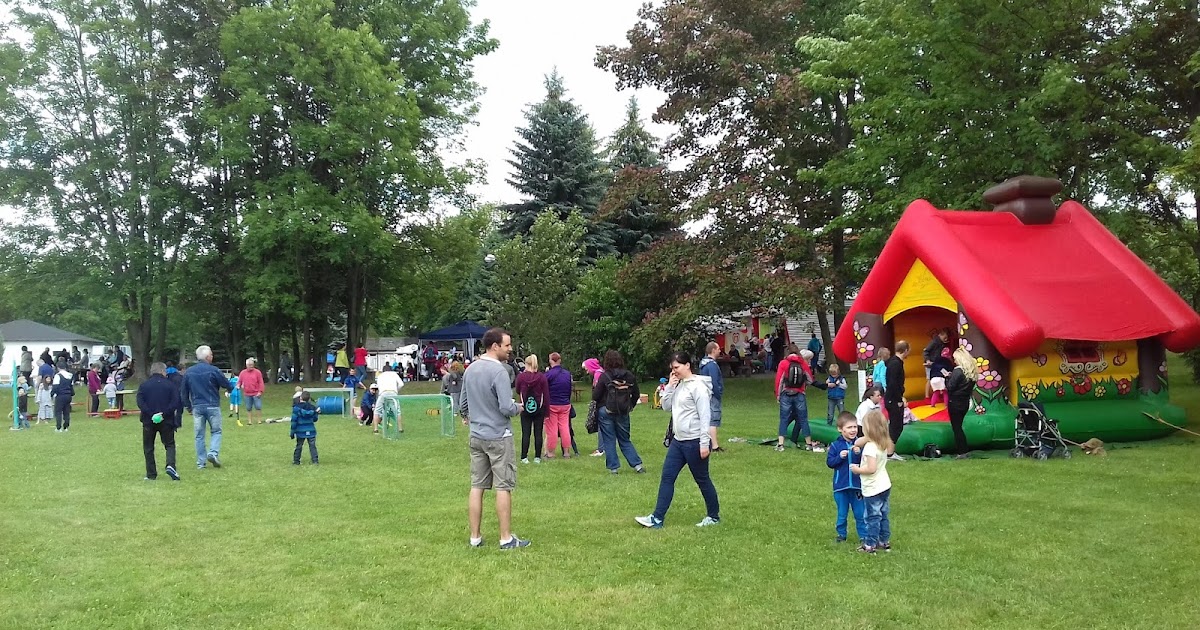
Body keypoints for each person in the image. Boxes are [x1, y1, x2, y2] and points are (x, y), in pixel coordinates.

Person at [635, 351, 720, 529]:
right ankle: (657, 518)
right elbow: (666, 407)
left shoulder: (698, 387)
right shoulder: (679, 385)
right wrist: (671, 387)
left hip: (694, 442)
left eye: (676, 368)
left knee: (702, 480)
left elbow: (706, 417)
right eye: (672, 369)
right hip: (678, 442)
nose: (674, 372)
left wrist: (705, 444)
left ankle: (713, 516)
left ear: (687, 365)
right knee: (667, 477)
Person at [461, 327, 529, 549]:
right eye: (507, 345)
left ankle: (475, 537)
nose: (510, 349)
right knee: (503, 486)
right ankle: (506, 538)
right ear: (495, 346)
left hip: (476, 436)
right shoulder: (500, 371)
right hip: (499, 436)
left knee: (477, 486)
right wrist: (519, 407)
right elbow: (505, 406)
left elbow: (463, 405)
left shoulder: (470, 369)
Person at [180, 345, 234, 470]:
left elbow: (183, 392)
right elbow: (226, 384)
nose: (212, 357)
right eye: (211, 355)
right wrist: (230, 388)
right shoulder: (214, 370)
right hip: (212, 405)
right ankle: (213, 452)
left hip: (197, 406)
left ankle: (201, 462)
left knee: (199, 435)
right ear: (207, 357)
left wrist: (188, 407)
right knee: (216, 431)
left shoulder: (189, 372)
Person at [593, 350, 645, 475]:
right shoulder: (629, 376)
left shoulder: (605, 376)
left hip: (606, 410)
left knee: (609, 440)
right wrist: (629, 405)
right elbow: (636, 394)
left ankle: (613, 468)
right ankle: (637, 465)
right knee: (625, 439)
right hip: (623, 411)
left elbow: (596, 396)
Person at [850, 409, 893, 554]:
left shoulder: (870, 448)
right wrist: (864, 439)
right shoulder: (881, 442)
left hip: (873, 488)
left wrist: (857, 470)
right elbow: (857, 442)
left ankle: (870, 544)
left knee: (872, 517)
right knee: (883, 514)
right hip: (884, 485)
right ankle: (884, 540)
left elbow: (871, 468)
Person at [773, 345, 824, 452]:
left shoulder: (783, 363)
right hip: (799, 393)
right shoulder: (803, 363)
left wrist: (778, 395)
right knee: (803, 419)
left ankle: (781, 444)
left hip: (786, 393)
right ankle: (808, 443)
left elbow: (779, 380)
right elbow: (810, 379)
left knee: (783, 418)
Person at [137, 362, 182, 481]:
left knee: (148, 447)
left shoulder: (144, 385)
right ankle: (170, 465)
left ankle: (151, 474)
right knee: (169, 444)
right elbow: (175, 401)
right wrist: (164, 413)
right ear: (163, 371)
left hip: (148, 420)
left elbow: (140, 402)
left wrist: (151, 414)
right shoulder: (170, 385)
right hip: (166, 420)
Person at [826, 412, 866, 543]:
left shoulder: (860, 444)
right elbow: (830, 463)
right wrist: (839, 457)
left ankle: (864, 536)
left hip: (857, 486)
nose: (853, 430)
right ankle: (841, 535)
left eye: (855, 427)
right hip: (841, 486)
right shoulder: (835, 446)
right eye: (849, 427)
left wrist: (859, 454)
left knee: (860, 513)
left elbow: (867, 462)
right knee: (842, 513)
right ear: (840, 429)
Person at [515, 354, 548, 464]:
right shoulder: (542, 377)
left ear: (526, 364)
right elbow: (546, 394)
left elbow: (517, 390)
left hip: (525, 407)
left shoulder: (521, 377)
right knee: (538, 433)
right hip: (539, 407)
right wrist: (546, 411)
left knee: (526, 432)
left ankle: (524, 457)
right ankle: (537, 457)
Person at [946, 347, 978, 459]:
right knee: (958, 426)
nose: (954, 361)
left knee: (957, 428)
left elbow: (950, 387)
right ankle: (963, 450)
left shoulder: (958, 371)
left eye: (955, 359)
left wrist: (947, 378)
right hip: (964, 402)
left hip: (954, 402)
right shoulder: (971, 372)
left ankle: (962, 451)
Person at [543, 352, 573, 459]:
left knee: (552, 429)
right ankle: (566, 452)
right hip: (565, 404)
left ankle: (550, 452)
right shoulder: (567, 374)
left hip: (552, 404)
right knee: (565, 428)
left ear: (551, 361)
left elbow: (543, 388)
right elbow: (570, 389)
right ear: (560, 360)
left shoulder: (548, 374)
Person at [884, 340, 910, 461]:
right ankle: (889, 453)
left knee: (895, 425)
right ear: (905, 350)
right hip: (893, 399)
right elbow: (893, 383)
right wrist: (898, 399)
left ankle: (890, 451)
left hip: (892, 398)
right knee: (896, 426)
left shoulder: (894, 362)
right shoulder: (896, 364)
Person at [697, 342, 725, 452]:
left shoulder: (703, 364)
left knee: (706, 418)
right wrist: (718, 394)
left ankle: (707, 442)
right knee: (713, 419)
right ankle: (715, 445)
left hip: (705, 394)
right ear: (713, 350)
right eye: (718, 349)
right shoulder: (712, 365)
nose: (719, 351)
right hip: (712, 395)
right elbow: (714, 382)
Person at [582, 357, 605, 458]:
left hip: (601, 404)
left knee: (601, 426)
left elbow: (597, 391)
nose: (587, 372)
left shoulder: (597, 375)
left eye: (587, 369)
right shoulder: (602, 372)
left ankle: (601, 449)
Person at [372, 363, 404, 434]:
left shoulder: (380, 376)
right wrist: (396, 391)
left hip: (383, 393)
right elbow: (401, 384)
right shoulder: (394, 374)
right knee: (397, 411)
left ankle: (375, 429)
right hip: (393, 393)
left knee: (377, 410)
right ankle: (400, 428)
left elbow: (379, 387)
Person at [290, 390, 320, 465]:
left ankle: (296, 461)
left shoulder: (296, 408)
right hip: (311, 429)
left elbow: (294, 421)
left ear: (300, 398)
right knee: (312, 446)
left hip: (300, 430)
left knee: (299, 445)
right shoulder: (312, 408)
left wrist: (292, 432)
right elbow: (315, 419)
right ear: (309, 399)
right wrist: (315, 413)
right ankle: (315, 460)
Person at [923, 328, 950, 399]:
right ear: (940, 335)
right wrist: (928, 360)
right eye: (945, 337)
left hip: (937, 363)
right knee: (929, 379)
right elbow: (926, 351)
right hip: (930, 363)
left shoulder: (942, 344)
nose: (946, 339)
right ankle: (927, 396)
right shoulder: (934, 342)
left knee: (940, 377)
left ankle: (938, 395)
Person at [238, 358, 265, 425]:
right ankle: (250, 421)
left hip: (256, 393)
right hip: (247, 393)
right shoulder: (243, 373)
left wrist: (260, 391)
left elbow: (261, 382)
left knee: (258, 407)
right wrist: (238, 385)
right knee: (248, 408)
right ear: (246, 365)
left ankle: (259, 420)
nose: (251, 366)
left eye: (252, 365)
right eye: (250, 365)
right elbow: (239, 382)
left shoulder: (257, 372)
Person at [51, 359, 75, 432]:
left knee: (58, 412)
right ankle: (66, 427)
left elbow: (55, 387)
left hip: (60, 395)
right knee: (66, 412)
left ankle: (58, 427)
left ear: (58, 367)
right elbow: (71, 386)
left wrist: (51, 394)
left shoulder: (58, 376)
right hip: (68, 395)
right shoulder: (70, 375)